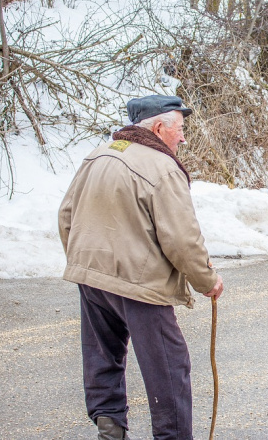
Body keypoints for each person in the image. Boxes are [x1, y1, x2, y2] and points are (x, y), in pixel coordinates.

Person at [58, 95, 224, 440]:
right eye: (180, 129)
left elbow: (66, 215)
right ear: (159, 127)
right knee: (168, 365)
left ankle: (110, 426)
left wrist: (85, 261)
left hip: (91, 277)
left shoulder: (99, 155)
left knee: (103, 355)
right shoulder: (162, 167)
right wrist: (206, 280)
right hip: (140, 283)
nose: (183, 138)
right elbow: (182, 239)